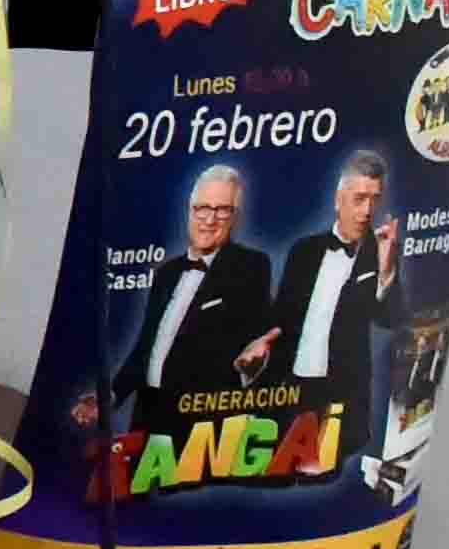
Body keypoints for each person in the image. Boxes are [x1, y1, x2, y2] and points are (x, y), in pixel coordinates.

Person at [78, 164, 283, 436]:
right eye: (202, 208)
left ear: (236, 217)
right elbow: (144, 349)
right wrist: (110, 396)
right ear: (190, 210)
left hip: (199, 425)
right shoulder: (166, 273)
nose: (209, 220)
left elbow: (259, 339)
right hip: (147, 417)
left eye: (222, 210)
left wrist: (252, 366)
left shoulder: (251, 267)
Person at [276, 150, 408, 476]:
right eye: (359, 198)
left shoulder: (380, 256)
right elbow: (281, 316)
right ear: (338, 199)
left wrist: (387, 271)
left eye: (375, 200)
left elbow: (391, 318)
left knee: (318, 487)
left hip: (338, 398)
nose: (367, 210)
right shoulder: (303, 251)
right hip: (286, 390)